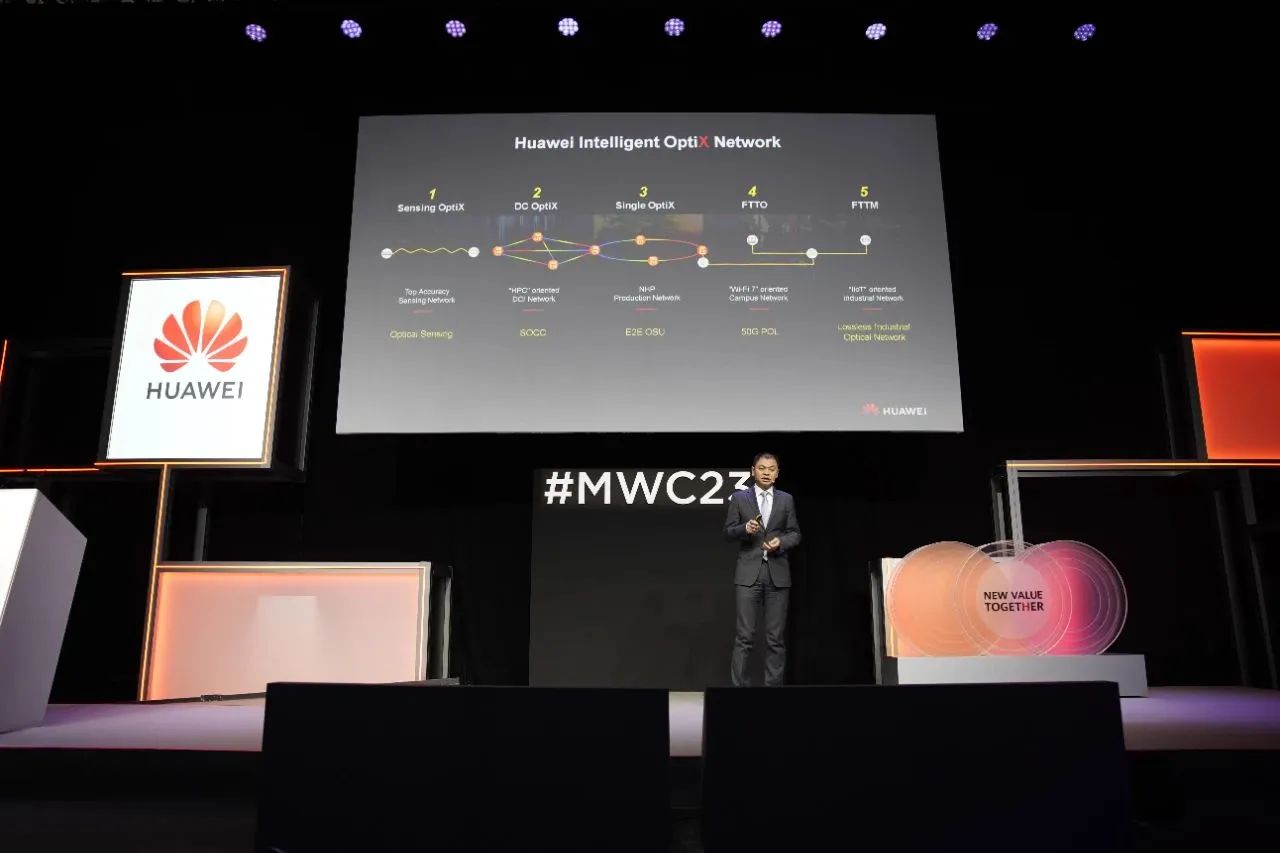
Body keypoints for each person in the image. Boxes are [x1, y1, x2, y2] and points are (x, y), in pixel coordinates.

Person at [723, 452, 801, 686]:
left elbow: (795, 533)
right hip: (748, 575)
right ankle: (739, 691)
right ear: (753, 471)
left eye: (771, 469)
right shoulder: (739, 498)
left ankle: (772, 693)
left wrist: (781, 542)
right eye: (762, 468)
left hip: (778, 574)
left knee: (775, 639)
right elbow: (728, 531)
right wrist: (744, 529)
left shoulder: (786, 499)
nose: (766, 472)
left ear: (777, 473)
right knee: (744, 638)